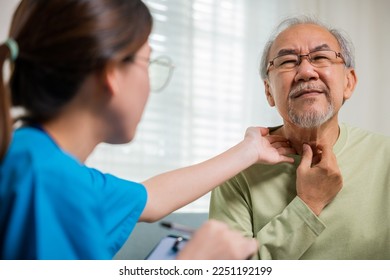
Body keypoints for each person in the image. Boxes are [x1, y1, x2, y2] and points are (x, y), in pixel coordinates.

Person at [0, 0, 295, 260]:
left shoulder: (37, 159)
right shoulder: (49, 181)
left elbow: (150, 199)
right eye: (148, 61)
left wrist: (250, 150)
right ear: (112, 73)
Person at [209, 15, 390, 259]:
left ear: (349, 82)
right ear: (268, 91)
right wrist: (307, 206)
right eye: (287, 61)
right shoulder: (236, 171)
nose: (306, 71)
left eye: (321, 57)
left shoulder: (385, 158)